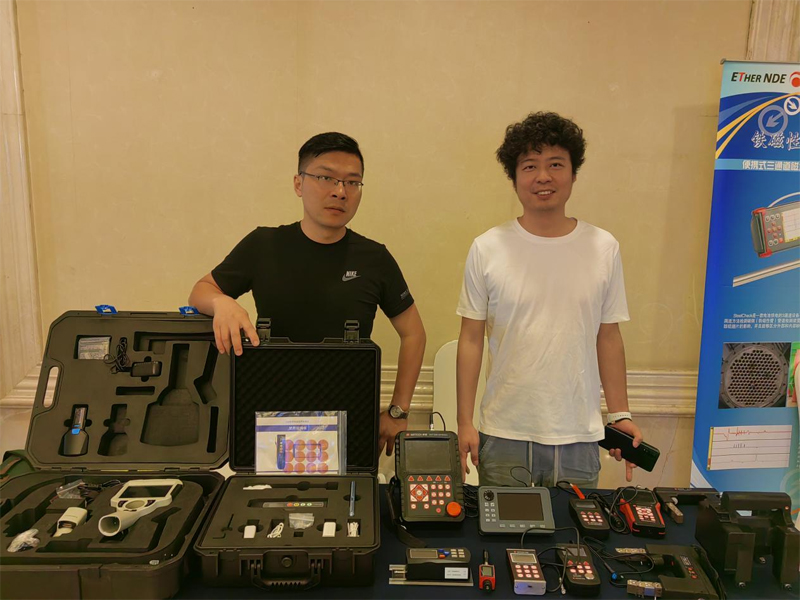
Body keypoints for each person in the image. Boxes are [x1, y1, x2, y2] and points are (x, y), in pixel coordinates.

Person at [188, 132, 426, 455]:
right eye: (326, 177)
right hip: (271, 423)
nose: (340, 191)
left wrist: (398, 411)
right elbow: (201, 291)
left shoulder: (374, 258)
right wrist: (222, 303)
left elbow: (414, 333)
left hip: (349, 427)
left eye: (352, 182)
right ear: (298, 184)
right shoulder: (263, 245)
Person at [456, 112, 643, 488]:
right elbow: (471, 339)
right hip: (504, 432)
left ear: (573, 173)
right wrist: (464, 423)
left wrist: (619, 413)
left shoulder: (603, 247)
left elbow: (608, 336)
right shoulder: (487, 248)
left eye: (556, 164)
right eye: (530, 166)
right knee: (502, 528)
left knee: (575, 528)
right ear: (514, 178)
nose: (543, 176)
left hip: (579, 435)